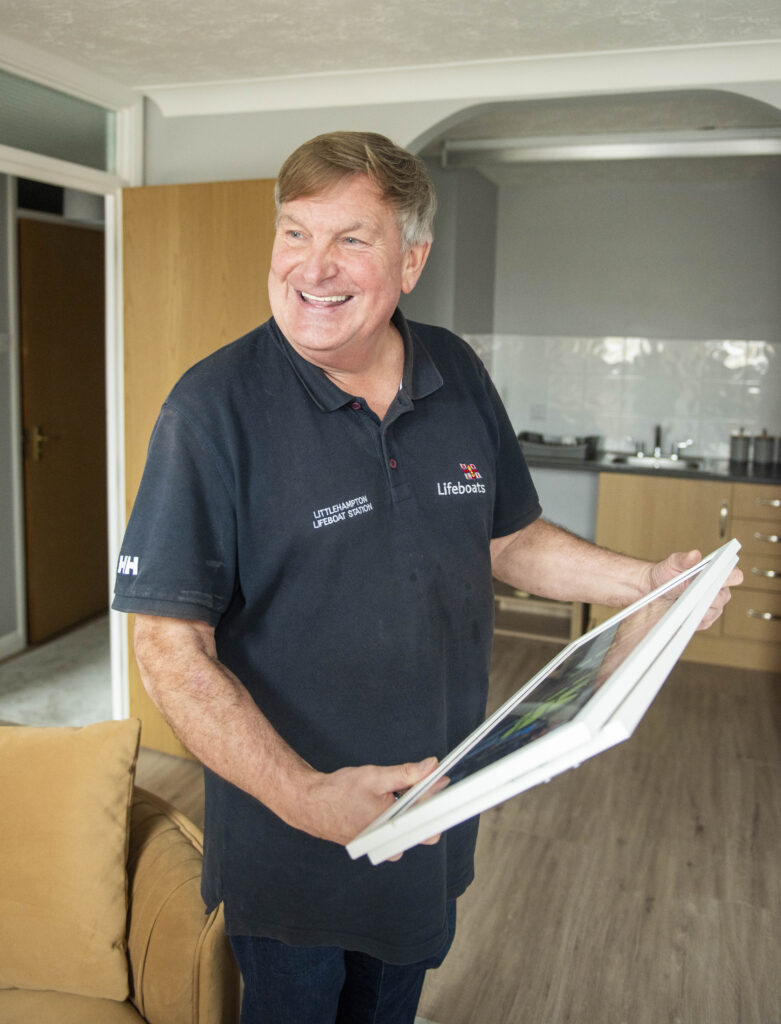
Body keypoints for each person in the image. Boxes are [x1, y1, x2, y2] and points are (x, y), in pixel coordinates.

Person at [112, 131, 740, 1024]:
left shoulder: (454, 371)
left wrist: (648, 579)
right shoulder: (211, 410)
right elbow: (168, 650)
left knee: (389, 1007)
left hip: (436, 804)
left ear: (411, 260)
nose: (311, 267)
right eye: (294, 233)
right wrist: (304, 796)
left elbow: (507, 538)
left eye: (350, 240)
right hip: (290, 836)